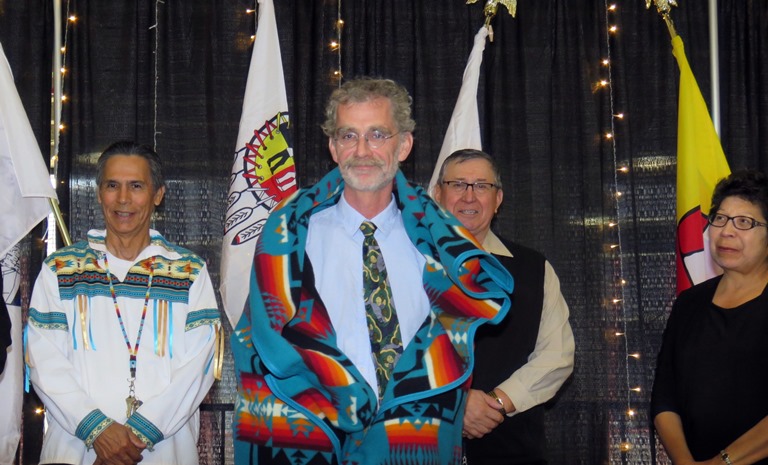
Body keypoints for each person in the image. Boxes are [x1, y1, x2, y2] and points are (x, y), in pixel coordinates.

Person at [231, 78, 513, 465]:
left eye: (377, 134)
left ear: (404, 144)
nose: (362, 151)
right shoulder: (289, 236)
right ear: (333, 147)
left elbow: (452, 345)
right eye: (349, 135)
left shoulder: (439, 242)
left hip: (413, 443)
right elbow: (261, 343)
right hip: (312, 436)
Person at [26, 141, 221, 465]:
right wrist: (99, 431)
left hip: (162, 453)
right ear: (99, 193)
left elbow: (199, 369)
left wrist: (134, 438)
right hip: (77, 451)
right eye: (112, 185)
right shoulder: (60, 270)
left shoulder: (189, 271)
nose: (123, 199)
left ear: (158, 194)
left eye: (136, 186)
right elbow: (43, 362)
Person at [433, 148, 575, 464]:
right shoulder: (403, 262)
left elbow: (557, 355)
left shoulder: (534, 269)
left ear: (498, 199)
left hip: (512, 451)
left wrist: (496, 403)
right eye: (458, 184)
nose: (469, 197)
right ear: (437, 194)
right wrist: (455, 404)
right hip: (417, 449)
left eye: (482, 186)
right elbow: (381, 354)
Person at [651, 169, 768, 465]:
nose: (727, 231)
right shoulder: (689, 303)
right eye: (719, 218)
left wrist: (721, 463)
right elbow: (664, 398)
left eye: (744, 222)